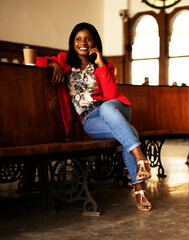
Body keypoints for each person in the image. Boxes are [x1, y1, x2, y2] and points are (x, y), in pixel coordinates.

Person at [37, 22, 152, 211]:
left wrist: (99, 64)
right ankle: (140, 187)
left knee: (107, 107)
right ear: (73, 42)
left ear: (94, 42)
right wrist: (53, 64)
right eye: (78, 39)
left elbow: (111, 95)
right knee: (129, 132)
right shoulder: (64, 59)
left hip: (115, 108)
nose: (83, 42)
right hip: (90, 119)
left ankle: (140, 160)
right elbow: (32, 60)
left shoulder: (106, 64)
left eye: (88, 38)